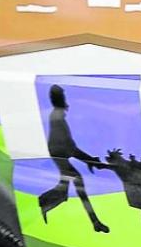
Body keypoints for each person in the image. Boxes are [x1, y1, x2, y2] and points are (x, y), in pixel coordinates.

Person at [37, 84, 108, 233]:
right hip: (59, 153)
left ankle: (45, 202)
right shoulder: (57, 116)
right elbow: (68, 145)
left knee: (65, 188)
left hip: (59, 152)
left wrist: (90, 160)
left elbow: (68, 145)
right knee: (77, 184)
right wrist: (89, 160)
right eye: (62, 95)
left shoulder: (58, 114)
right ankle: (95, 222)